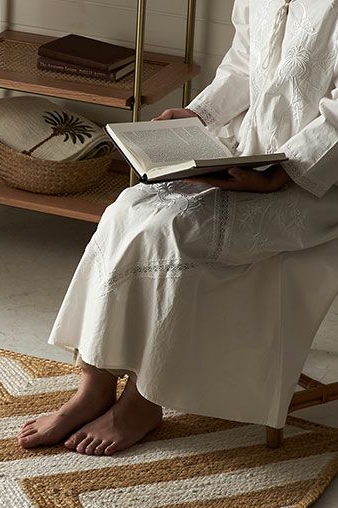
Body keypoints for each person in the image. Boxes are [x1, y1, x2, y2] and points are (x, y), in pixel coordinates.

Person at [19, 0, 338, 456]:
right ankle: (94, 386)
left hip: (315, 184)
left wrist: (281, 174)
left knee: (176, 231)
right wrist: (200, 115)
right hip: (247, 153)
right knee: (125, 209)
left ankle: (143, 401)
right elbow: (244, 62)